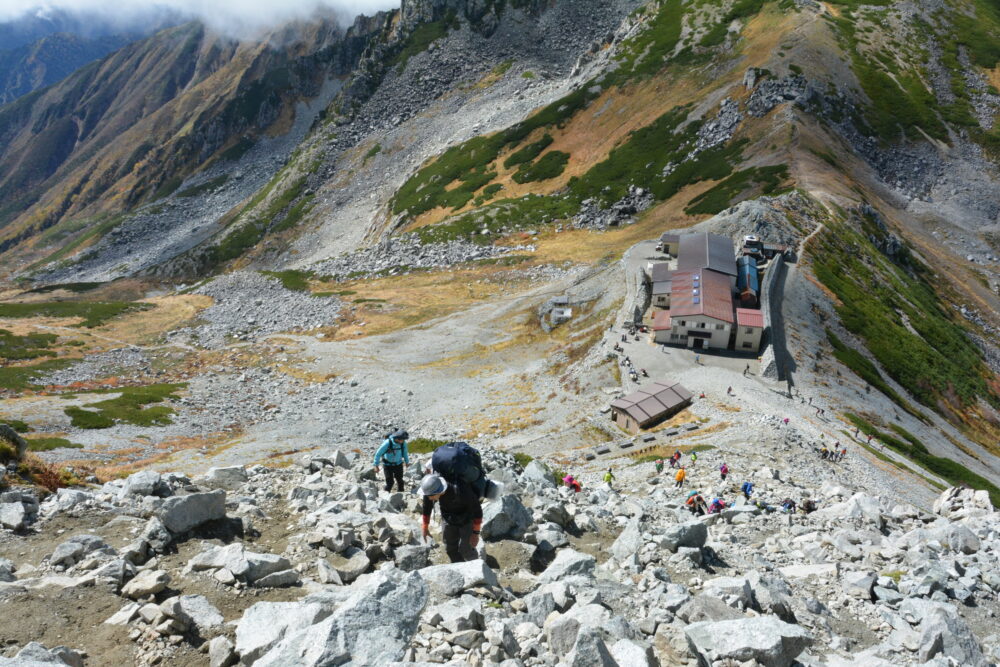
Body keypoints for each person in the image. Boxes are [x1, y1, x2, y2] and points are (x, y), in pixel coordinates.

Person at [420, 473, 482, 563]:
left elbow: (477, 510)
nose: (429, 499)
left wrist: (476, 533)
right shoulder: (431, 490)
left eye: (431, 497)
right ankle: (458, 566)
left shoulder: (461, 490)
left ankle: (477, 569)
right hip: (448, 518)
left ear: (438, 491)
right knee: (450, 548)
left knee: (466, 548)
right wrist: (425, 527)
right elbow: (427, 507)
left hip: (467, 520)